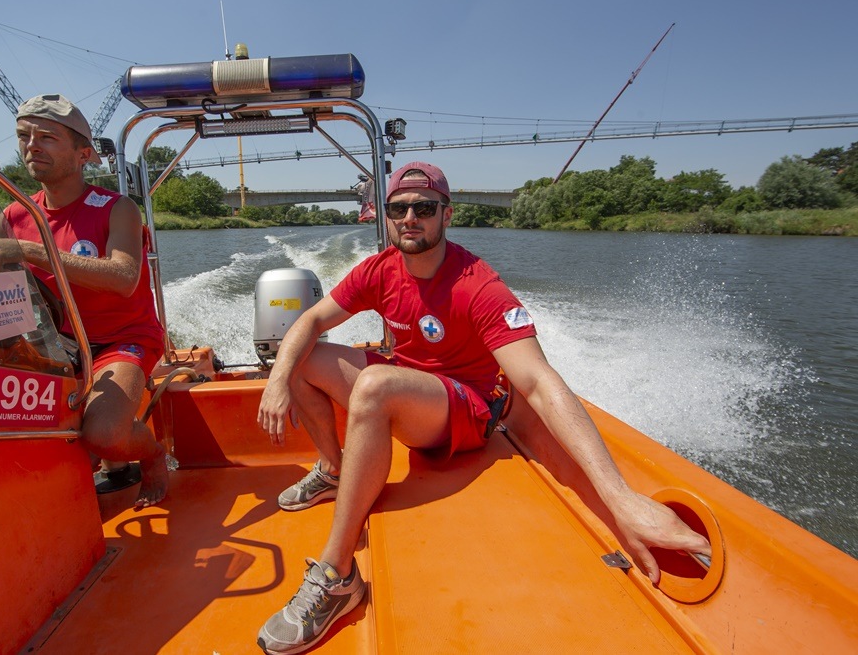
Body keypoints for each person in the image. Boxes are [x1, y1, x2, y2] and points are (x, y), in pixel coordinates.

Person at [255, 161, 712, 654]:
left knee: (373, 385)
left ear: (445, 216)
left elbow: (537, 381)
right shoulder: (379, 270)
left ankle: (339, 576)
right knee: (301, 356)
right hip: (407, 389)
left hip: (465, 411)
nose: (411, 218)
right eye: (399, 208)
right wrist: (277, 379)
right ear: (385, 217)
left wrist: (620, 497)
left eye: (424, 208)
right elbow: (311, 320)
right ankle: (333, 469)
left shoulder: (477, 284)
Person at [0, 94, 167, 509]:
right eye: (24, 136)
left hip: (121, 340)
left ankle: (154, 455)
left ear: (84, 153)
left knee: (104, 435)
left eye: (48, 137)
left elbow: (125, 278)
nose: (32, 145)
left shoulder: (117, 208)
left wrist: (31, 253)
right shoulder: (13, 217)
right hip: (51, 348)